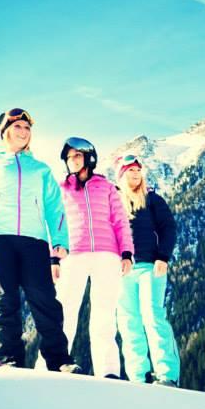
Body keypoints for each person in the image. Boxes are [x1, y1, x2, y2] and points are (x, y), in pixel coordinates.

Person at [0, 107, 81, 374]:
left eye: (27, 128)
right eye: (17, 127)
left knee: (45, 299)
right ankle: (9, 360)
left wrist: (59, 240)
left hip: (33, 240)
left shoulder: (40, 169)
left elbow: (54, 207)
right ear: (4, 131)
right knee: (5, 299)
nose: (24, 132)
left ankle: (60, 360)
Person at [54, 137, 134, 378]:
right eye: (69, 157)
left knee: (104, 314)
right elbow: (55, 224)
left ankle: (108, 371)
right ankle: (52, 365)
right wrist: (53, 258)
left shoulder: (107, 187)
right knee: (64, 310)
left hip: (106, 255)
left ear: (89, 158)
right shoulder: (61, 189)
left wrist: (127, 252)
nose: (72, 160)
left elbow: (120, 221)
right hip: (73, 254)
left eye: (77, 155)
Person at [114, 155, 180, 386]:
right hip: (122, 270)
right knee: (128, 321)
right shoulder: (114, 201)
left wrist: (163, 256)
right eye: (130, 170)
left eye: (138, 170)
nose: (135, 174)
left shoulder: (152, 199)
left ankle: (167, 374)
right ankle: (138, 376)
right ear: (121, 175)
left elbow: (168, 228)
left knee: (153, 317)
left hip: (150, 267)